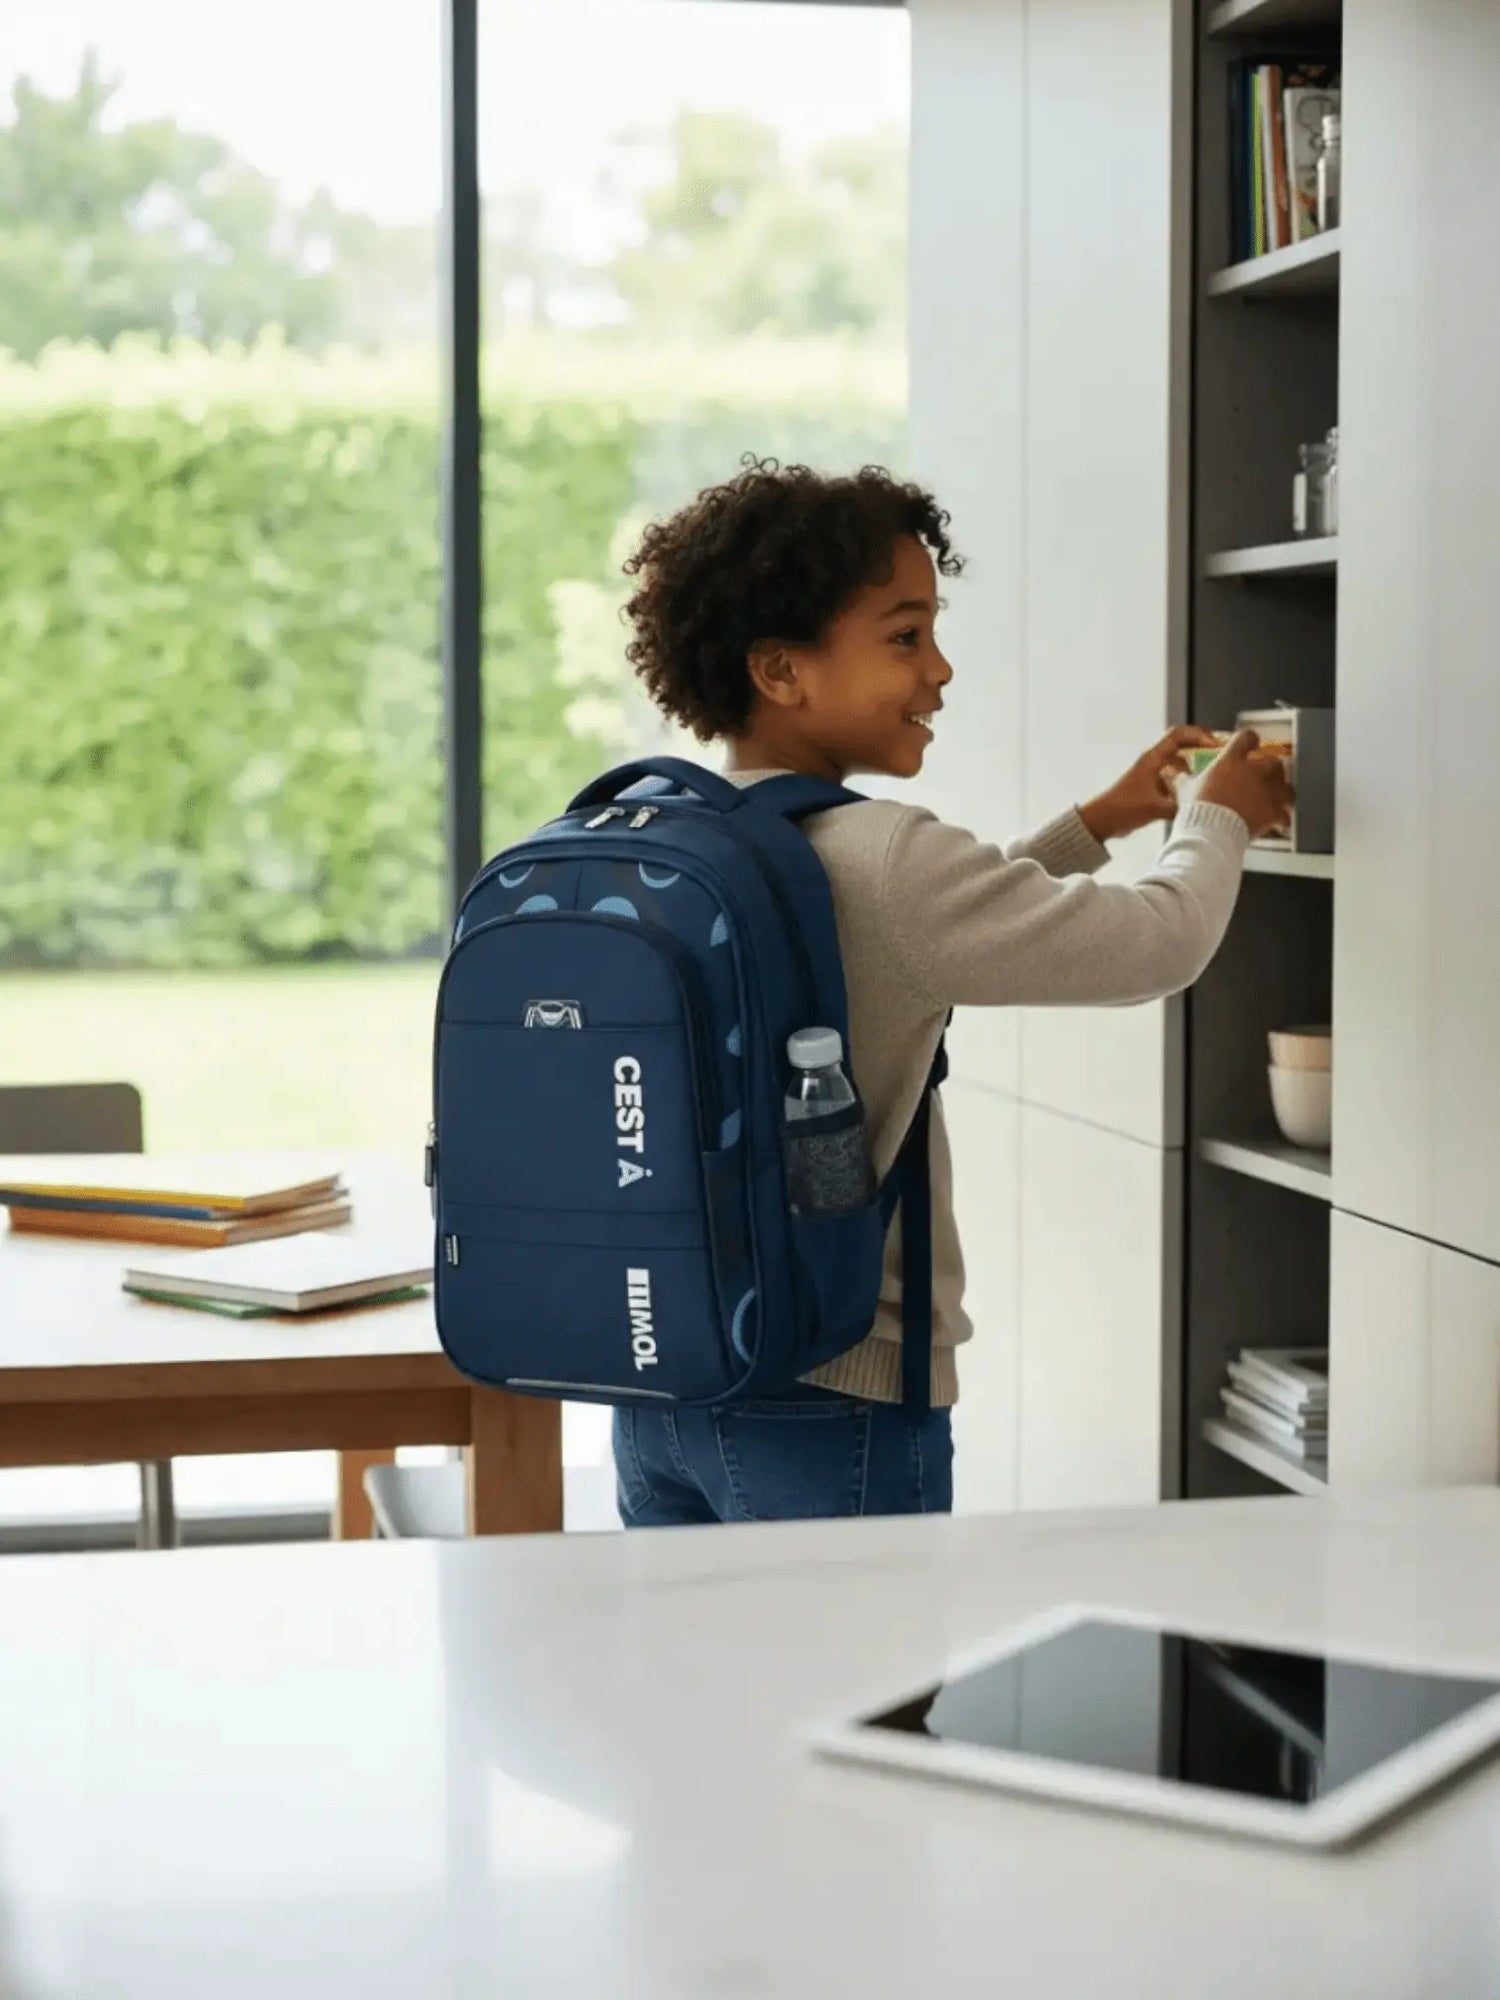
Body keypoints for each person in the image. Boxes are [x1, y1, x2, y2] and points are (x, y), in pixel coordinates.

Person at [610, 459, 1292, 1528]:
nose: (940, 669)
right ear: (782, 669)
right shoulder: (882, 856)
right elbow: (1160, 943)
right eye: (903, 635)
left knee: (708, 1695)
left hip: (662, 1384)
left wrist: (1098, 823)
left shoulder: (670, 831)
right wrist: (1222, 817)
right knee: (868, 1696)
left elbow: (895, 951)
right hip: (836, 1399)